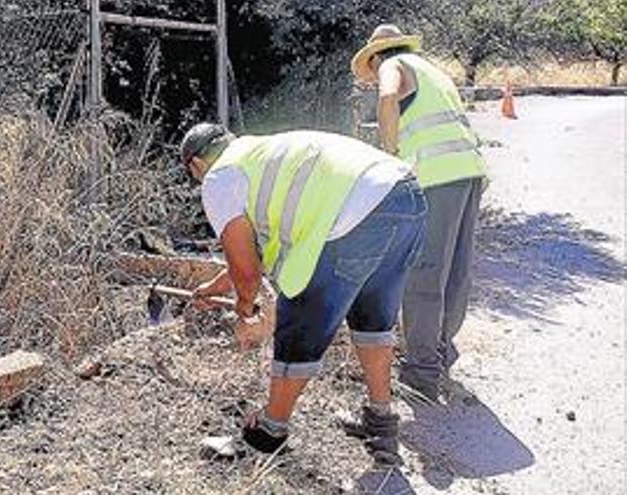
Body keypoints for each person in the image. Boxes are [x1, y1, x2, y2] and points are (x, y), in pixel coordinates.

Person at [180, 123, 426, 465]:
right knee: (372, 319)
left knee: (300, 321)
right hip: (405, 196)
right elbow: (250, 258)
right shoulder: (260, 154)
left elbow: (248, 273)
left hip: (355, 212)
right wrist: (213, 288)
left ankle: (270, 431)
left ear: (195, 165)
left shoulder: (218, 179)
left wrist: (244, 310)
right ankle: (381, 422)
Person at [351, 24, 488, 402]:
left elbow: (387, 97)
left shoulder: (393, 65)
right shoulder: (435, 72)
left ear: (377, 55)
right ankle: (440, 353)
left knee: (424, 273)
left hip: (436, 178)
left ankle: (421, 374)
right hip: (469, 174)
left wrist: (389, 151)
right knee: (456, 272)